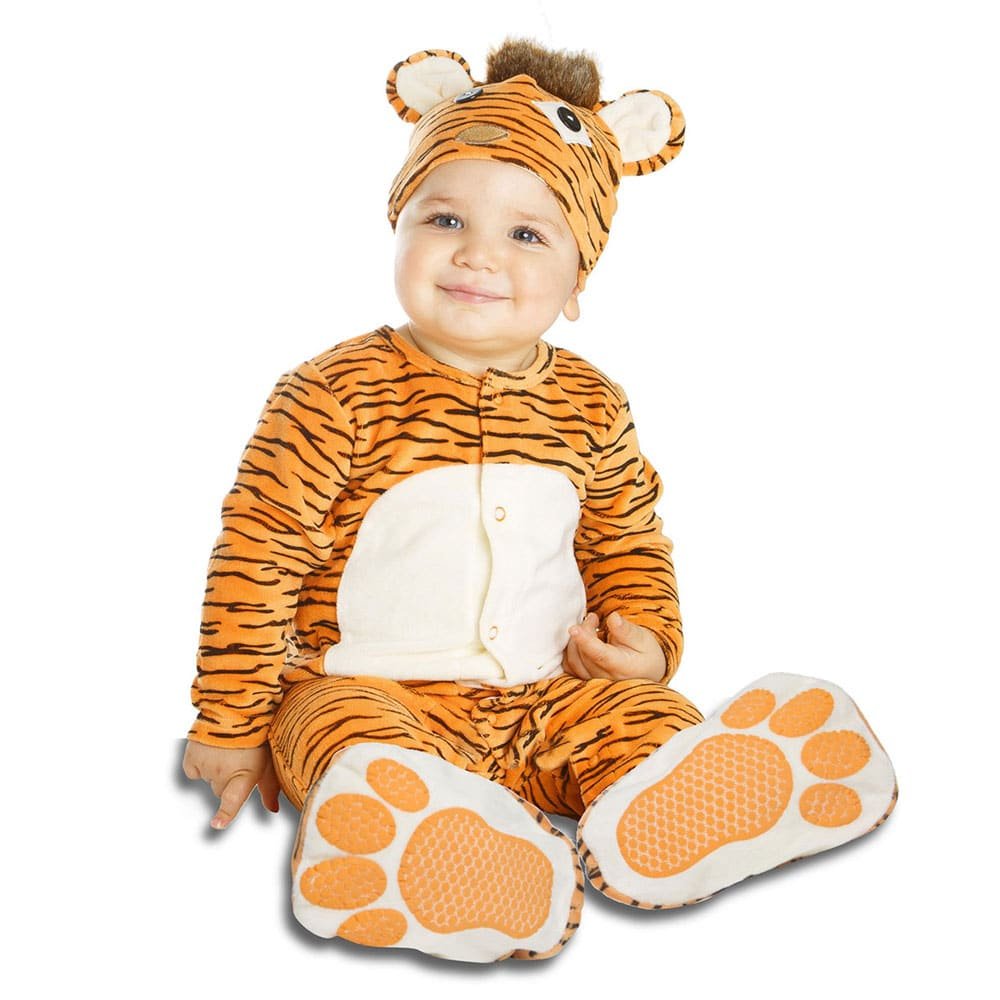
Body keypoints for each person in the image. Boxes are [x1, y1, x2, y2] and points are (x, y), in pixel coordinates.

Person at [182, 39, 897, 963]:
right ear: (397, 229)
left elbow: (627, 542)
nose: (477, 253)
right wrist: (232, 725)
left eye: (527, 234)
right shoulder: (332, 393)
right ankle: (434, 846)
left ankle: (674, 809)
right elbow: (258, 557)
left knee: (651, 724)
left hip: (550, 697)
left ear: (578, 277)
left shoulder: (592, 404)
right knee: (340, 737)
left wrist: (648, 643)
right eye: (444, 218)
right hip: (373, 689)